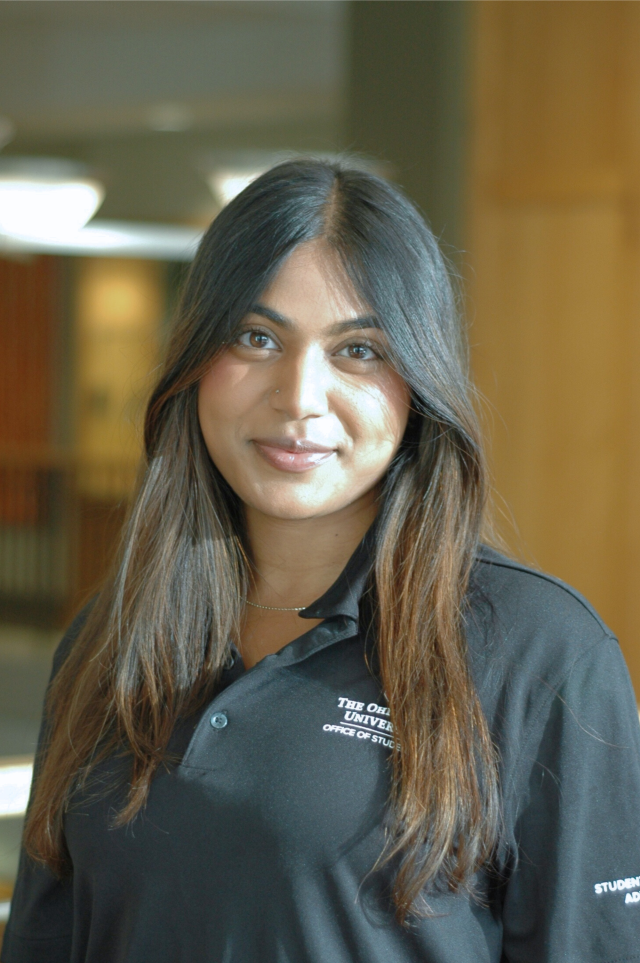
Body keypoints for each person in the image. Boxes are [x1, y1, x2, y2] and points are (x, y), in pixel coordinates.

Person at [2, 159, 640, 963]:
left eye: (359, 350)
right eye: (257, 337)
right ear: (196, 362)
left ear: (418, 381)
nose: (300, 396)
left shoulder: (541, 652)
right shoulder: (110, 635)